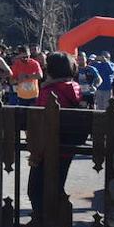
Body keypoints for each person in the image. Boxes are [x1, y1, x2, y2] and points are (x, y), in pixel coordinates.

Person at [28, 52, 87, 213]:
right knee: (56, 188)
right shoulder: (75, 88)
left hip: (48, 149)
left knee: (36, 191)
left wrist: (36, 154)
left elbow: (42, 125)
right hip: (67, 148)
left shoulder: (49, 92)